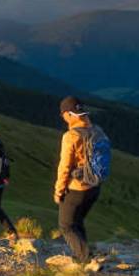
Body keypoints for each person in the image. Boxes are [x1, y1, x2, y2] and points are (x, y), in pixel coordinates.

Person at [54, 96, 109, 263]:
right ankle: (83, 255)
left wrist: (59, 190)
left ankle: (87, 260)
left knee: (66, 225)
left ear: (71, 114)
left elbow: (64, 167)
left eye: (63, 114)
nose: (63, 117)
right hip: (95, 186)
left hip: (77, 188)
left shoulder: (71, 136)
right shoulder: (98, 130)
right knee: (77, 222)